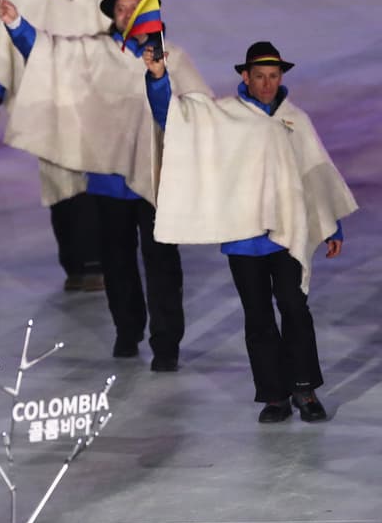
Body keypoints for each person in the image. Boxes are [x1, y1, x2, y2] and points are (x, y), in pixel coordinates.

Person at [0, 0, 212, 369]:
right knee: (117, 262)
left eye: (134, 7)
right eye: (120, 8)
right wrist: (17, 26)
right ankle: (127, 332)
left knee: (162, 264)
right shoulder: (94, 51)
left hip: (159, 182)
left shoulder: (173, 58)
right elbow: (47, 53)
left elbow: (201, 113)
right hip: (108, 181)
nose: (126, 14)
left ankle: (166, 345)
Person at [145, 42, 357, 422]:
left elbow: (314, 173)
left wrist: (331, 224)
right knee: (258, 316)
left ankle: (304, 389)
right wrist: (159, 78)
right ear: (245, 76)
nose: (266, 83)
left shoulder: (296, 119)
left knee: (295, 308)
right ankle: (275, 396)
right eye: (259, 76)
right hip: (244, 236)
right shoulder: (226, 114)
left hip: (288, 233)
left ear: (281, 78)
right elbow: (175, 117)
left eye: (273, 76)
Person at [0, 0, 112, 292]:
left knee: (89, 179)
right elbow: (2, 43)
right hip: (43, 105)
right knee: (57, 182)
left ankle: (96, 262)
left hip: (89, 105)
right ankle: (76, 266)